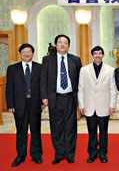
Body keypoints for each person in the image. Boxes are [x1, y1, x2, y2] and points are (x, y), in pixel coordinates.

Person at [40, 34, 82, 164]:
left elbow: (80, 81)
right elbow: (43, 79)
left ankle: (70, 153)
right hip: (55, 98)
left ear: (69, 46)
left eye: (65, 43)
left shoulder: (75, 60)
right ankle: (58, 153)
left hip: (70, 98)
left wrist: (80, 98)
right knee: (56, 127)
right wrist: (44, 97)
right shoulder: (47, 59)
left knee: (71, 127)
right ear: (56, 45)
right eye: (60, 42)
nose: (62, 45)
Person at [6, 43, 43, 167]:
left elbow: (42, 86)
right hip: (19, 104)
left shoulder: (39, 67)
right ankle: (20, 155)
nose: (26, 54)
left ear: (33, 53)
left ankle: (36, 155)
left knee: (35, 131)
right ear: (20, 54)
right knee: (21, 131)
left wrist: (43, 101)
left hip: (35, 103)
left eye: (29, 52)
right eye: (24, 52)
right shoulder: (12, 69)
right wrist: (10, 104)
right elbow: (9, 88)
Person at [78, 46, 117, 163]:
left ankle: (103, 154)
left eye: (100, 53)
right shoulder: (84, 70)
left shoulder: (110, 70)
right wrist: (81, 105)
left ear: (103, 55)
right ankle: (92, 154)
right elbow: (81, 88)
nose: (98, 55)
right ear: (92, 56)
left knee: (104, 132)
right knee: (92, 133)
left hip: (104, 106)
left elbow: (113, 89)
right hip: (89, 106)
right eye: (95, 53)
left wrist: (112, 105)